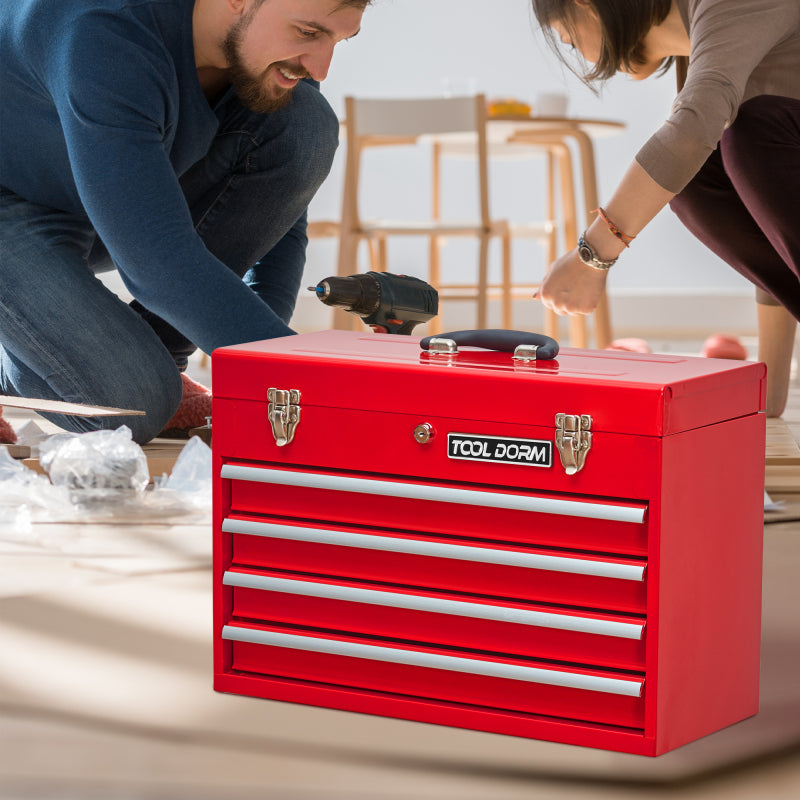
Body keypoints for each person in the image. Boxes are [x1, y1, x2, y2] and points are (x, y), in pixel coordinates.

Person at [0, 0, 369, 446]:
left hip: (99, 197)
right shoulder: (104, 32)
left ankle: (157, 358)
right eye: (308, 33)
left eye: (338, 40)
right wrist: (313, 383)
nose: (322, 67)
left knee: (304, 123)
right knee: (131, 404)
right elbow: (158, 261)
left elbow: (280, 203)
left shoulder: (248, 56)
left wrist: (262, 381)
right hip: (11, 200)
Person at [530, 0, 800, 416]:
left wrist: (593, 256)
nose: (581, 56)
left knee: (741, 135)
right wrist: (770, 400)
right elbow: (776, 218)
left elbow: (693, 128)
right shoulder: (713, 43)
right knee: (702, 172)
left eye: (569, 38)